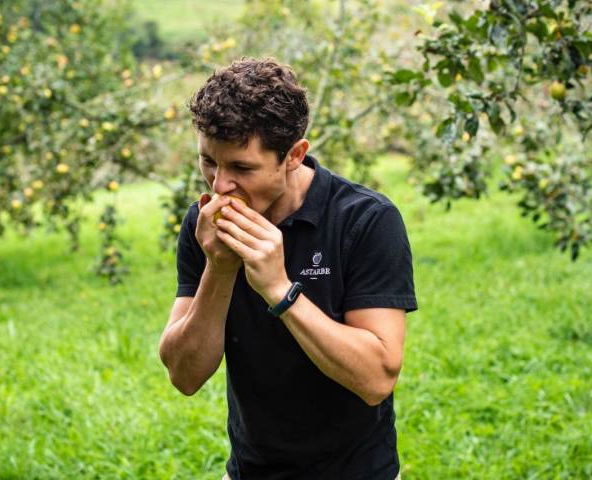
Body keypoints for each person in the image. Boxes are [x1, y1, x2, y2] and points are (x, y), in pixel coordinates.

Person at [158, 57, 417, 480]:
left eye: (242, 168)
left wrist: (280, 289)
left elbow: (376, 378)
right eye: (209, 162)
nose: (220, 185)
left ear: (294, 155)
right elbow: (184, 375)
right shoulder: (202, 225)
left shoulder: (365, 220)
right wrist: (219, 270)